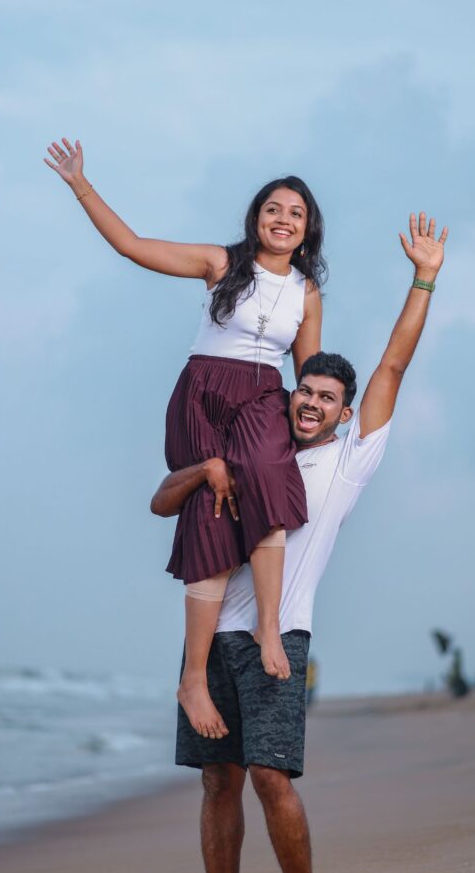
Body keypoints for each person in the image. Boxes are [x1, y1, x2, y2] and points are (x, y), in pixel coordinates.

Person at [150, 212, 447, 873]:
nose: (310, 402)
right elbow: (168, 499)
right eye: (303, 391)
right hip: (211, 638)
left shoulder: (346, 463)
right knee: (216, 781)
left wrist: (423, 279)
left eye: (325, 399)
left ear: (344, 416)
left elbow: (391, 368)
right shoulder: (262, 448)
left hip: (280, 635)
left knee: (269, 776)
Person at [44, 138, 325, 741]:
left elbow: (307, 373)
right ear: (257, 219)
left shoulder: (306, 293)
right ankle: (192, 677)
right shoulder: (222, 263)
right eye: (273, 209)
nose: (283, 219)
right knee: (209, 512)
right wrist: (80, 185)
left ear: (306, 232)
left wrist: (330, 413)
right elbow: (133, 245)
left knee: (271, 482)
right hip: (203, 392)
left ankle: (268, 625)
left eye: (295, 214)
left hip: (261, 397)